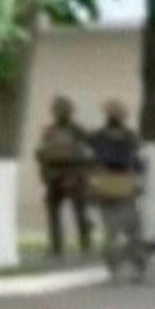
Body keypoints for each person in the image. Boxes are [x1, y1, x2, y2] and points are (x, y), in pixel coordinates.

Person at [86, 98, 146, 282]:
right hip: (126, 184)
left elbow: (90, 159)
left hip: (104, 184)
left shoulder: (96, 137)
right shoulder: (131, 137)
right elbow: (139, 163)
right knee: (133, 230)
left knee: (111, 231)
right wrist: (140, 181)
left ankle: (114, 268)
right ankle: (137, 266)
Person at [35, 95, 96, 258]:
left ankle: (85, 245)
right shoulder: (50, 131)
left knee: (79, 212)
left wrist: (85, 171)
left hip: (74, 177)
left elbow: (91, 153)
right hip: (55, 177)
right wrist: (45, 170)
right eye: (57, 109)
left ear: (69, 111)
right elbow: (41, 153)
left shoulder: (78, 131)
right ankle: (56, 247)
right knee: (54, 213)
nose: (59, 112)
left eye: (62, 109)